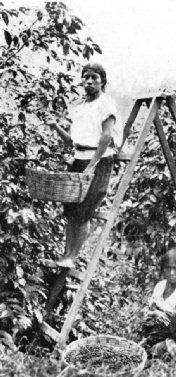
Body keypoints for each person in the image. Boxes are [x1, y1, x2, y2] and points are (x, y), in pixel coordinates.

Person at [43, 62, 121, 268]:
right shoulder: (80, 106)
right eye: (86, 77)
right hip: (79, 158)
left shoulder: (106, 103)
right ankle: (65, 255)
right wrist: (55, 126)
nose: (89, 81)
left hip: (99, 160)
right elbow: (73, 141)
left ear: (102, 81)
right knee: (70, 211)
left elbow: (106, 136)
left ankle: (73, 256)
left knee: (84, 211)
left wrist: (93, 164)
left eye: (94, 77)